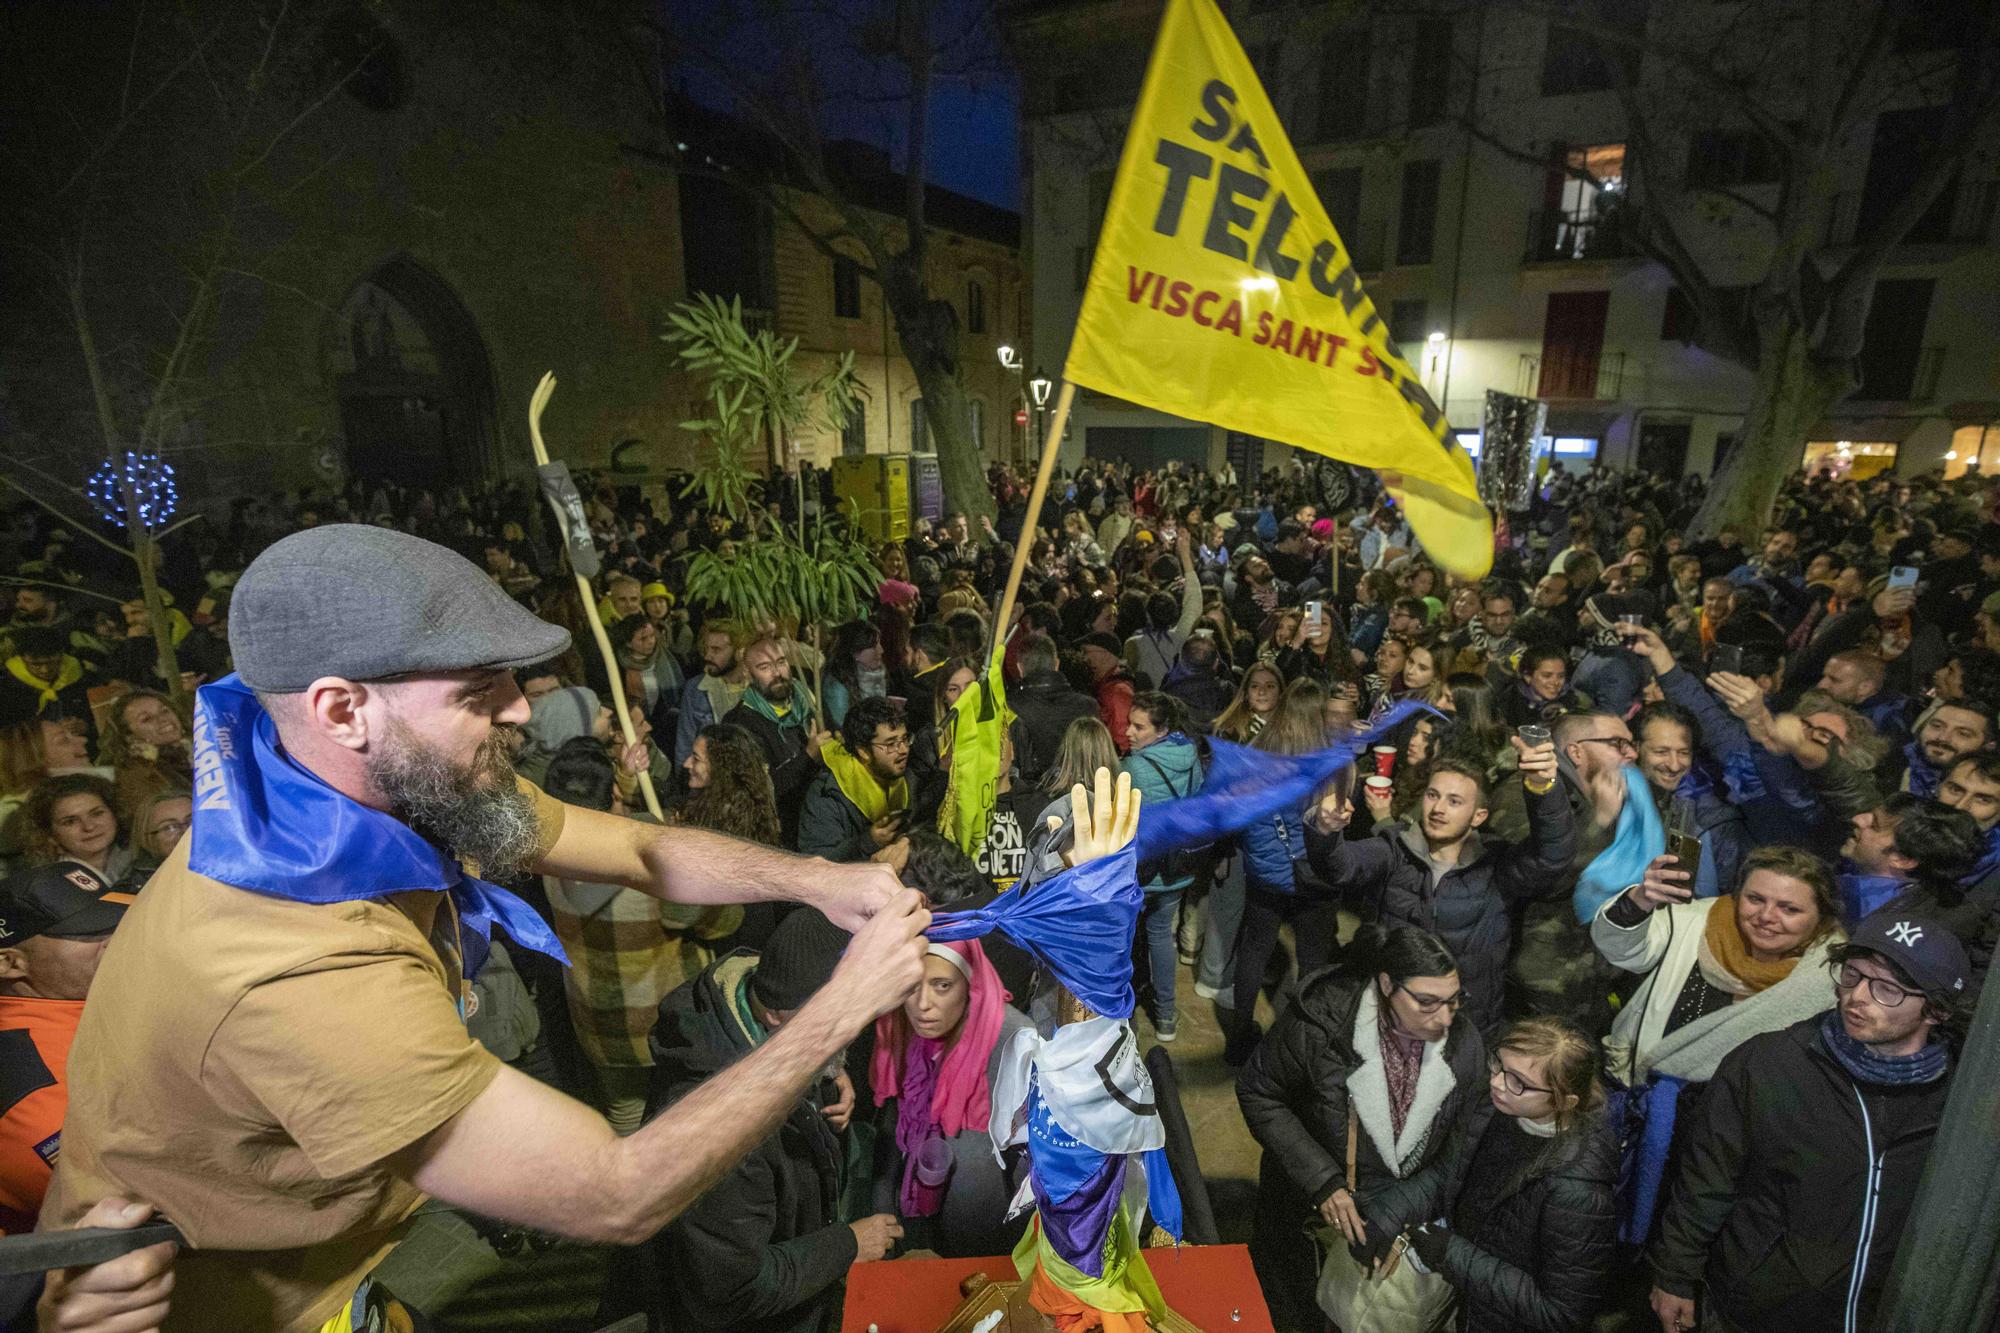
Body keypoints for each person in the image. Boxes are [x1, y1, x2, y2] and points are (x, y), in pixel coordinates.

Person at [41, 525, 925, 1332]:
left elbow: (637, 848)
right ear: (341, 708)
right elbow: (617, 1192)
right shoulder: (294, 964)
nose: (520, 709)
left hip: (353, 1270)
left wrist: (817, 879)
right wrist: (840, 1007)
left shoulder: (358, 785)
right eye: (478, 688)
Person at [1648, 914, 1970, 1333]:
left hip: (1889, 1314)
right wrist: (1674, 1275)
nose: (1857, 996)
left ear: (1937, 1010)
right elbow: (1705, 1181)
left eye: (1886, 989)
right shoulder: (1767, 1064)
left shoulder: (1962, 1099)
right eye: (1852, 975)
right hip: (1755, 1310)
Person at [646, 906, 891, 1331]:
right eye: (837, 1018)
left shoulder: (758, 1008)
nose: (853, 1028)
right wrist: (848, 1244)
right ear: (777, 1015)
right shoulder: (723, 1135)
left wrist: (829, 1067)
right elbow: (731, 1290)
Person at [1236, 925, 1490, 1332]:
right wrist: (1324, 1183)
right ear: (1387, 985)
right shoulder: (1323, 1024)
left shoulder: (1464, 1045)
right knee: (1290, 1304)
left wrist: (1399, 1207)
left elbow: (1461, 1148)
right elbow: (1259, 1091)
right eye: (1427, 1002)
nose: (1444, 1018)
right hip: (1302, 1212)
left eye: (1453, 1001)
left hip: (1388, 1229)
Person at [1309, 737, 1575, 1040]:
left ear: (1479, 816)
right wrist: (1323, 830)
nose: (1438, 808)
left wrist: (1543, 788)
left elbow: (1553, 856)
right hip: (1392, 1014)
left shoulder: (1496, 867)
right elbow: (1339, 867)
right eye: (1433, 795)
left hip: (1463, 1023)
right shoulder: (1395, 849)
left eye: (1454, 801)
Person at [541, 738, 738, 1135]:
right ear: (613, 794)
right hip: (664, 1024)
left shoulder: (548, 855)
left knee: (628, 1124)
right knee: (687, 1124)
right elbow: (724, 921)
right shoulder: (652, 865)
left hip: (601, 1026)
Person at [1404, 1019, 1617, 1333]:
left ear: (1564, 1100)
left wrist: (1452, 1255)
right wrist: (1386, 1215)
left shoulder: (1577, 1191)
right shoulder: (1498, 1109)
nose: (1497, 1083)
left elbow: (1562, 1314)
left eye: (1519, 1082)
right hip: (1467, 1299)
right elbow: (1449, 1172)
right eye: (1498, 1064)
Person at [868, 937, 1032, 1258]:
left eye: (942, 986)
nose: (922, 1004)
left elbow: (1030, 1169)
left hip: (985, 1231)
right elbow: (893, 1122)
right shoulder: (902, 1025)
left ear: (970, 984)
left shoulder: (1013, 1040)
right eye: (911, 986)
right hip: (922, 1209)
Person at [0, 861, 129, 1235]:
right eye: (89, 931)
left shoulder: (89, 998)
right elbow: (110, 1199)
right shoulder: (25, 1084)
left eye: (116, 919)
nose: (116, 937)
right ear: (10, 963)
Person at [1121, 691, 1202, 1042]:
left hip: (1140, 870)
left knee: (1126, 939)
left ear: (1161, 729)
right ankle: (1167, 1017)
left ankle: (1123, 1016)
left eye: (1139, 727)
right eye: (1129, 723)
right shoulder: (1190, 754)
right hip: (1177, 867)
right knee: (1161, 936)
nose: (1128, 732)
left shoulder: (1135, 767)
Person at [724, 634, 828, 847]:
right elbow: (760, 790)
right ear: (748, 673)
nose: (777, 673)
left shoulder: (806, 702)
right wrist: (807, 756)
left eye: (780, 663)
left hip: (820, 819)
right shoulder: (741, 722)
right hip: (785, 833)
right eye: (764, 667)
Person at [797, 697, 909, 864]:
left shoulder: (893, 775)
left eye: (905, 739)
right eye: (890, 744)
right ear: (863, 751)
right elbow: (815, 864)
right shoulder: (827, 795)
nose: (904, 750)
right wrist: (869, 842)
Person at [1007, 634, 1096, 790]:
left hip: (1030, 802)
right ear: (1056, 664)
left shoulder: (1009, 709)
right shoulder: (1088, 707)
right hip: (1082, 797)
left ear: (1020, 668)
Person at [25, 774, 129, 883]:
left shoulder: (141, 865)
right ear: (49, 835)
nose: (89, 827)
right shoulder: (47, 885)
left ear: (115, 814)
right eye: (70, 821)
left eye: (97, 813)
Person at [674, 619, 748, 764]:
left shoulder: (754, 688)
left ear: (739, 652)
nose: (708, 656)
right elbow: (684, 748)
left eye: (716, 650)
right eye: (706, 649)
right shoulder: (696, 689)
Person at [114, 786, 192, 892]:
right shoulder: (127, 891)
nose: (185, 833)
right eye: (169, 827)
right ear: (148, 840)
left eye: (192, 821)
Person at [1077, 630, 1137, 752]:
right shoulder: (1105, 685)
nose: (1083, 658)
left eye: (1086, 652)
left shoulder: (1117, 692)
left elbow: (1123, 737)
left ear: (1105, 653)